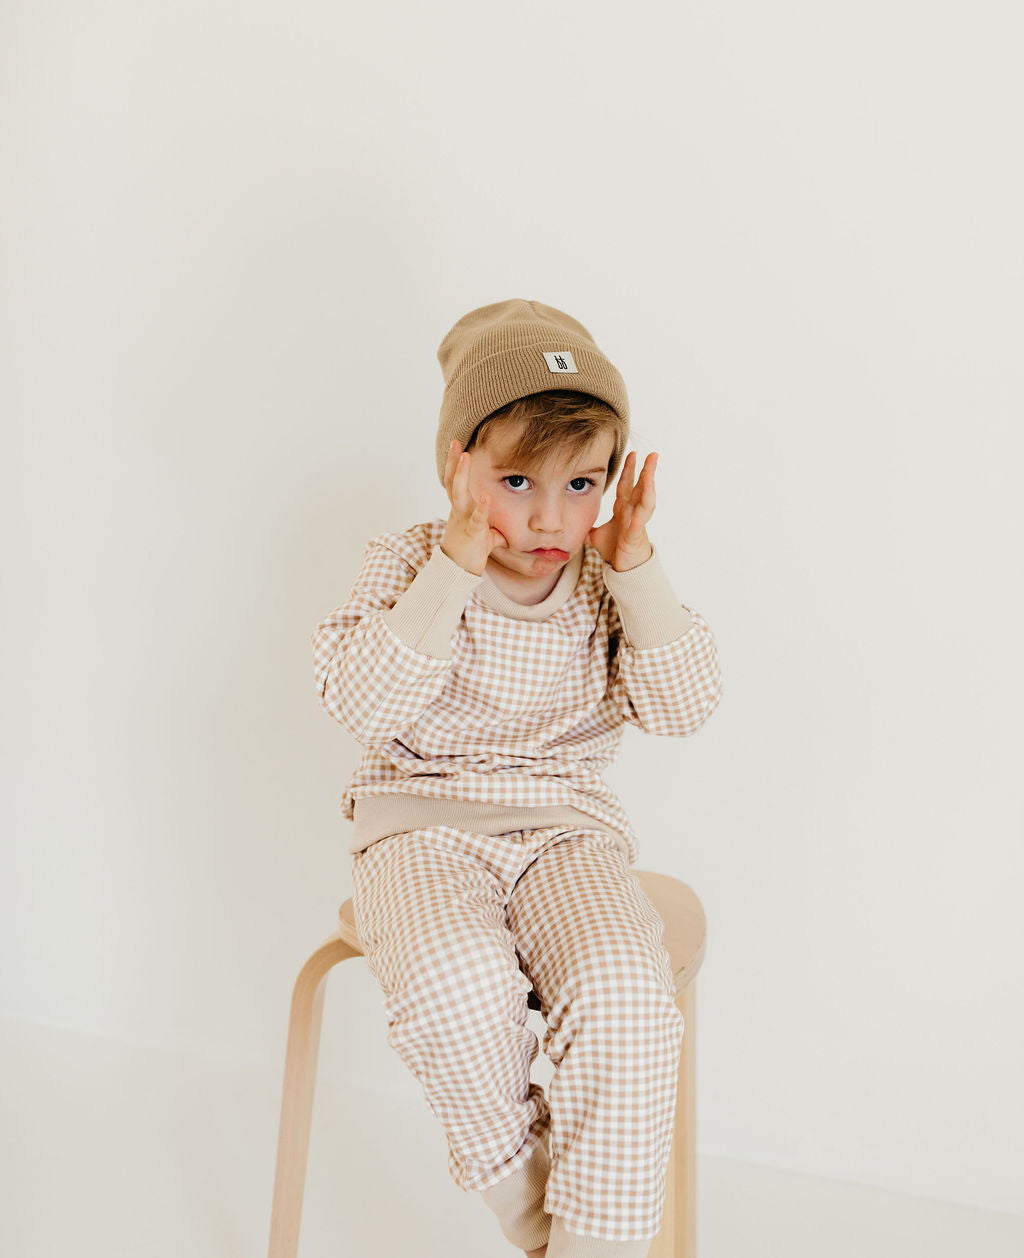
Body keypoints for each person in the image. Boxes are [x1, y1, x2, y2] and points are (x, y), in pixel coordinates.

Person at [311, 299, 723, 1258]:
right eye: (515, 481)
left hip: (565, 832)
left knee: (626, 993)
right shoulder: (409, 560)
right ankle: (541, 1219)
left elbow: (685, 707)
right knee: (456, 985)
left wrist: (639, 570)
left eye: (583, 483)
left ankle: (600, 1245)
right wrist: (454, 565)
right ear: (457, 465)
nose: (549, 516)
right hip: (420, 828)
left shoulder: (604, 577)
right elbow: (362, 702)